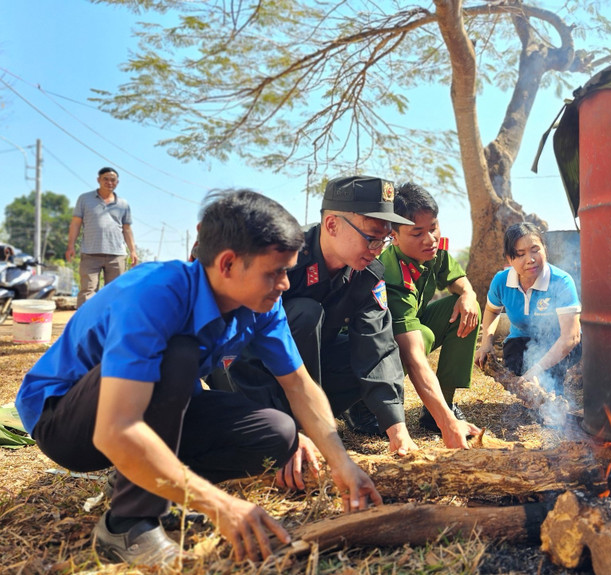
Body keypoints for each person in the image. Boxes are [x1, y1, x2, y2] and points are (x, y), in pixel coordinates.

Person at [16, 190, 380, 567]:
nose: (285, 284)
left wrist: (342, 463)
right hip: (66, 422)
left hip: (139, 412)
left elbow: (299, 385)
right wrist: (220, 505)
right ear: (226, 264)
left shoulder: (260, 305)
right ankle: (127, 522)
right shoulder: (154, 294)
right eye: (275, 272)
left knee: (278, 432)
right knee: (178, 355)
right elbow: (115, 429)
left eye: (287, 270)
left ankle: (141, 481)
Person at [207, 175, 419, 456]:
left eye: (384, 241)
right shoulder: (282, 257)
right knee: (306, 313)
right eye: (370, 238)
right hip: (243, 376)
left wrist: (397, 429)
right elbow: (240, 349)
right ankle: (283, 424)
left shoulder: (367, 274)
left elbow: (377, 350)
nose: (376, 250)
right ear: (332, 224)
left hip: (305, 383)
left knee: (370, 355)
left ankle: (314, 420)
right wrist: (281, 432)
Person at [378, 183, 482, 448]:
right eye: (417, 232)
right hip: (373, 353)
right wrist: (447, 425)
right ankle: (364, 409)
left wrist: (468, 294)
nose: (430, 239)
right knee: (420, 335)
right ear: (395, 236)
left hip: (410, 330)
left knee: (466, 307)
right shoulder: (391, 275)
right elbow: (412, 357)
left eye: (433, 227)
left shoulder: (432, 252)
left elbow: (458, 279)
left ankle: (443, 402)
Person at [474, 222, 582, 393]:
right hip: (521, 341)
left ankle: (562, 384)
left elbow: (571, 337)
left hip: (559, 341)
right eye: (520, 254)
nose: (530, 259)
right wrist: (486, 343)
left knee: (549, 384)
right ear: (510, 259)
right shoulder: (501, 281)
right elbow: (492, 310)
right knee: (520, 377)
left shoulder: (561, 282)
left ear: (544, 249)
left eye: (535, 250)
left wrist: (538, 368)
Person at [66, 167, 138, 308]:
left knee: (115, 291)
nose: (109, 182)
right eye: (105, 179)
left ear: (117, 182)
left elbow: (127, 229)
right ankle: (85, 326)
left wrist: (133, 251)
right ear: (98, 180)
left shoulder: (123, 203)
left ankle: (111, 324)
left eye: (113, 180)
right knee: (88, 291)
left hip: (117, 254)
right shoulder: (84, 199)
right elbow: (75, 224)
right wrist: (70, 246)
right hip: (90, 253)